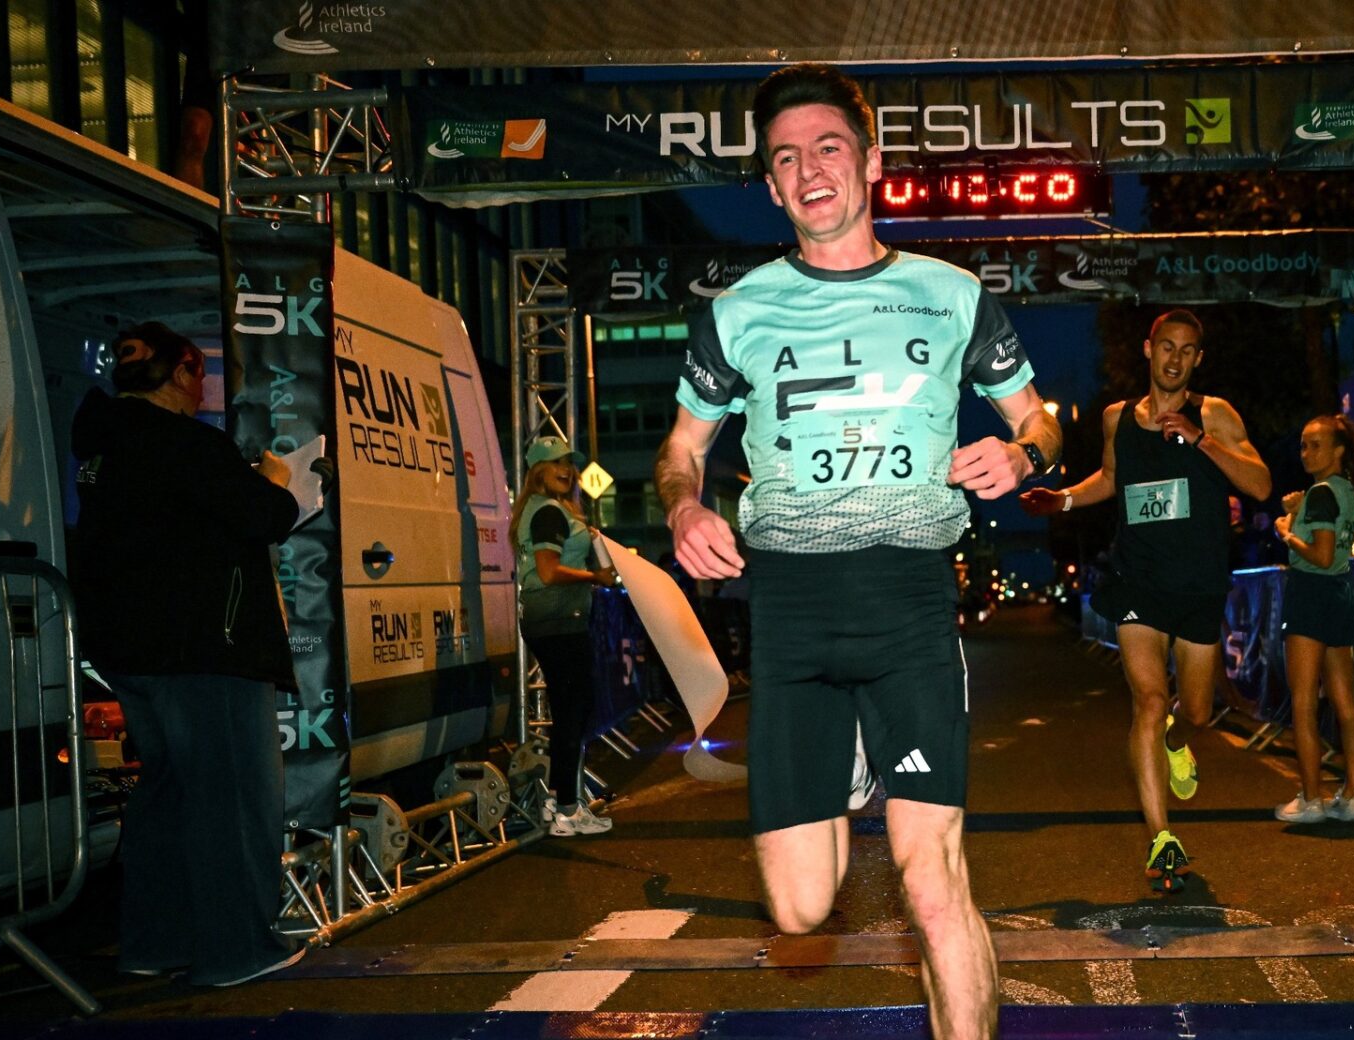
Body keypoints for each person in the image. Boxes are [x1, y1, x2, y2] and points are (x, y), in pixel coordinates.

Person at [654, 63, 1061, 1040]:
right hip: (792, 610)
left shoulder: (950, 295)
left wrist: (1021, 453)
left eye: (827, 147)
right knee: (800, 909)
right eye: (786, 159)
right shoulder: (738, 311)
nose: (810, 170)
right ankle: (843, 765)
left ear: (871, 162)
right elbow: (679, 450)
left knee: (933, 879)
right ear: (771, 186)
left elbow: (1042, 421)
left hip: (908, 600)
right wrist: (681, 509)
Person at [71, 323, 306, 986]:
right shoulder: (187, 443)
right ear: (178, 373)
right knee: (232, 796)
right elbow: (265, 516)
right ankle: (241, 950)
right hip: (208, 647)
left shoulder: (101, 448)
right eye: (198, 374)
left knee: (166, 793)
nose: (202, 390)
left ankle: (155, 943)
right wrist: (275, 480)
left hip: (131, 653)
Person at [1021, 310, 1271, 893]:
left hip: (1199, 584)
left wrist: (1200, 440)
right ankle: (1162, 838)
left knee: (1196, 713)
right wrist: (1061, 501)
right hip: (1138, 580)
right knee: (1150, 702)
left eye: (1186, 350)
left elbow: (1259, 484)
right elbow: (1112, 479)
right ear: (1148, 350)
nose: (1174, 358)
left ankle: (1178, 746)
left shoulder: (1215, 414)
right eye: (1166, 347)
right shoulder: (1117, 418)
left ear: (1197, 359)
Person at [513, 435, 618, 838]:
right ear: (538, 470)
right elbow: (548, 572)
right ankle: (567, 810)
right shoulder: (547, 512)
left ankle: (560, 802)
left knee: (570, 711)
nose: (566, 470)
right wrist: (596, 576)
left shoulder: (552, 510)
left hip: (555, 620)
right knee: (574, 711)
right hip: (558, 620)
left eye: (569, 464)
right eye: (556, 463)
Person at [1271, 415, 1354, 824]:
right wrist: (1298, 512)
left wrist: (1287, 533)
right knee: (1345, 702)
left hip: (1311, 594)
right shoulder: (1346, 491)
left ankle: (1312, 798)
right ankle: (1351, 795)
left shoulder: (1323, 493)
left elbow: (1322, 555)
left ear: (1339, 450)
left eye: (1316, 445)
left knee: (1304, 702)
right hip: (1339, 594)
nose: (1306, 453)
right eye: (1303, 445)